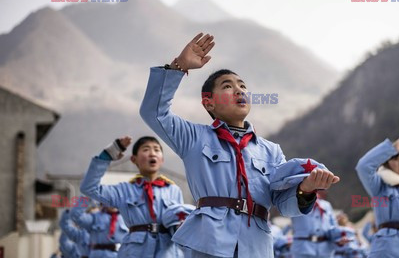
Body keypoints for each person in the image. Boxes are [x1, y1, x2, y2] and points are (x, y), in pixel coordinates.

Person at [139, 33, 340, 257]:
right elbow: (153, 112)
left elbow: (283, 203)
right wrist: (178, 67)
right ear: (209, 102)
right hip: (210, 244)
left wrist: (305, 189)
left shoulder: (270, 150)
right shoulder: (194, 138)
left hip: (256, 246)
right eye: (227, 86)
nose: (239, 90)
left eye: (242, 86)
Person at [80, 136, 184, 258]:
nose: (152, 153)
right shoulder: (124, 190)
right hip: (136, 251)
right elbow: (89, 188)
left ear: (162, 160)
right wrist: (108, 155)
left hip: (168, 252)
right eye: (146, 149)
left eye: (157, 150)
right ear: (134, 159)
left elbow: (180, 223)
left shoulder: (173, 190)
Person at [290, 190, 344, 258]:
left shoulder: (326, 205)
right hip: (303, 249)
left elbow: (333, 227)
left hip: (325, 250)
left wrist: (339, 239)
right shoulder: (297, 201)